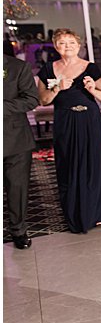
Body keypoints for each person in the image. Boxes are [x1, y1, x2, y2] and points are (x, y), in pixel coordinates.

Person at [35, 29, 101, 233]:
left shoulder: (91, 68)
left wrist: (92, 90)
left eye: (71, 42)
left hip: (89, 120)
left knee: (93, 164)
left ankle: (98, 212)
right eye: (62, 43)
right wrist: (57, 88)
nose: (67, 46)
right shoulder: (48, 69)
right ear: (55, 46)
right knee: (68, 164)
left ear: (78, 46)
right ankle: (74, 211)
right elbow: (43, 100)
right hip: (65, 120)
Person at [4, 46, 40, 248]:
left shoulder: (18, 67)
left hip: (16, 139)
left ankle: (18, 230)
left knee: (17, 188)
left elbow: (31, 100)